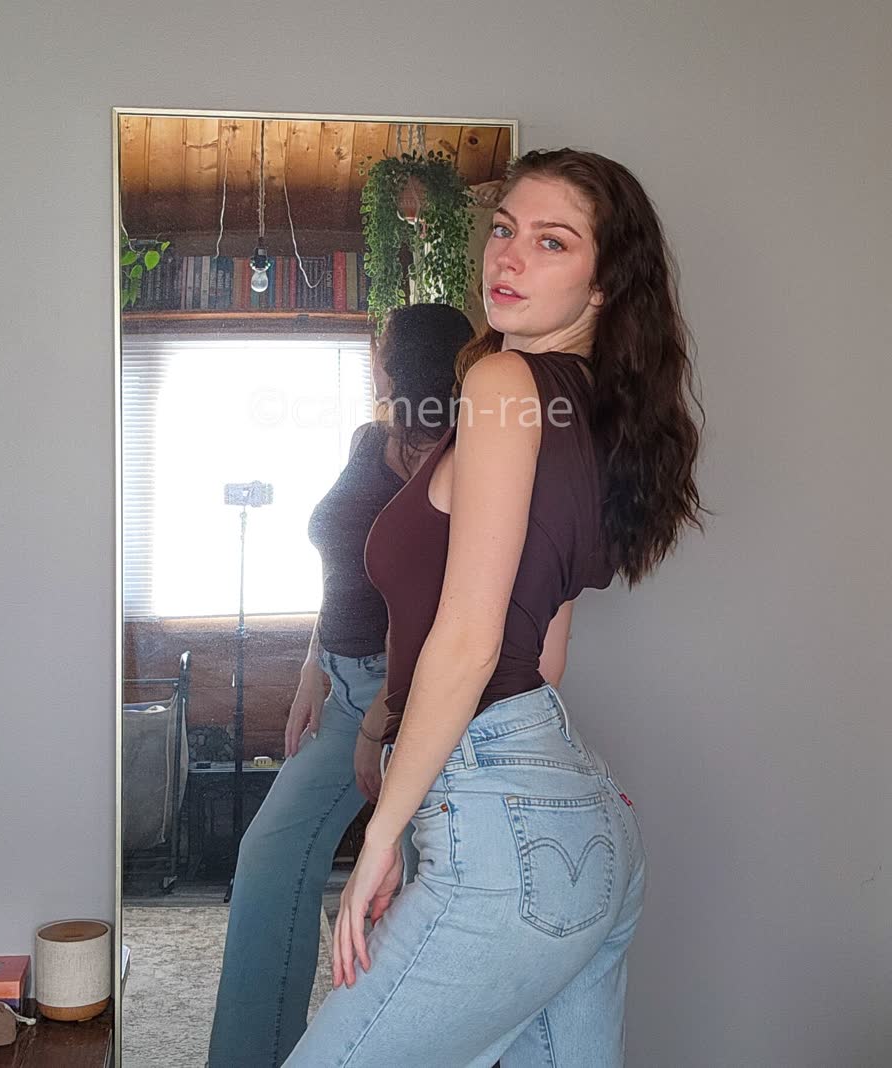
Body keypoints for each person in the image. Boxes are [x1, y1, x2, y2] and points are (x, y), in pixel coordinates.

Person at [282, 148, 706, 1068]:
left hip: (501, 818)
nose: (508, 256)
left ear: (604, 283)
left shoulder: (505, 387)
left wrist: (380, 839)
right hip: (582, 817)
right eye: (505, 229)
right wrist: (393, 734)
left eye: (553, 242)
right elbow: (544, 656)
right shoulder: (598, 416)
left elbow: (472, 642)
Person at [208, 303, 479, 1068]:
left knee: (414, 902)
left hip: (411, 701)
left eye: (382, 347)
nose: (374, 358)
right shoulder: (369, 442)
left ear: (406, 364)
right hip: (344, 686)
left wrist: (378, 722)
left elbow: (431, 604)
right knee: (269, 858)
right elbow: (340, 574)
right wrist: (311, 670)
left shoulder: (455, 459)